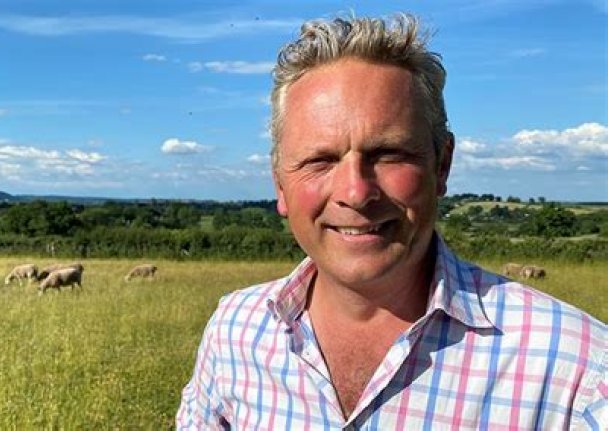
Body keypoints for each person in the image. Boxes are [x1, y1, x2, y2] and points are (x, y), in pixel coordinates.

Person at [177, 14, 606, 430]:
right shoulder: (235, 331)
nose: (355, 192)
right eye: (320, 160)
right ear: (280, 185)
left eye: (389, 154)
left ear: (442, 165)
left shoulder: (577, 371)